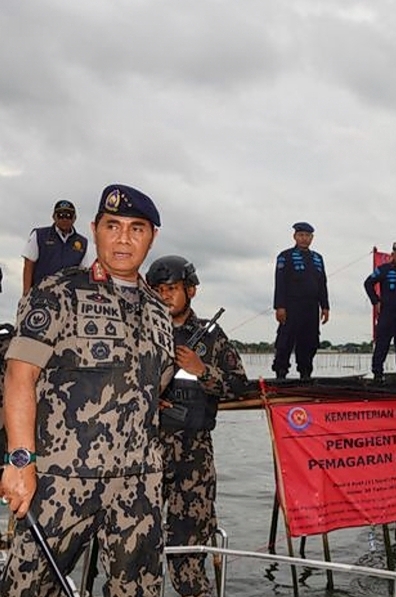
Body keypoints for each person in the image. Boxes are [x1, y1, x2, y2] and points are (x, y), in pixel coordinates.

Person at [0, 184, 174, 597]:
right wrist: (20, 460)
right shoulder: (59, 292)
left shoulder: (158, 310)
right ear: (94, 230)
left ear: (152, 237)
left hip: (140, 485)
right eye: (113, 226)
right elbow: (19, 376)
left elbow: (156, 386)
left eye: (136, 228)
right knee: (29, 589)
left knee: (137, 591)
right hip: (62, 481)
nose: (123, 238)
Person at [146, 254, 248, 597]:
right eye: (158, 289)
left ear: (190, 290)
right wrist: (147, 398)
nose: (165, 296)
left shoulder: (212, 336)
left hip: (194, 456)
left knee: (189, 553)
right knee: (137, 547)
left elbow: (238, 385)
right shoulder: (139, 331)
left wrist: (202, 369)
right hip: (145, 454)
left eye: (172, 288)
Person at [272, 222, 329, 380]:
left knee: (310, 341)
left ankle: (305, 373)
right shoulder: (286, 256)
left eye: (307, 236)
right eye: (301, 235)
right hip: (291, 305)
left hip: (311, 307)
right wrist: (279, 306)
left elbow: (322, 283)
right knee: (285, 341)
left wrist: (325, 306)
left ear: (312, 238)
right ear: (295, 237)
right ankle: (281, 373)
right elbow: (280, 282)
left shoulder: (318, 258)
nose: (304, 239)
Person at [364, 242, 396, 384]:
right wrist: (376, 301)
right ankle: (377, 373)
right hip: (388, 315)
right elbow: (368, 283)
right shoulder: (384, 270)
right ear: (392, 255)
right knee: (382, 345)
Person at [21, 199, 93, 294]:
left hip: (68, 296)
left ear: (75, 218)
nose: (64, 219)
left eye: (69, 216)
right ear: (54, 217)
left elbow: (83, 271)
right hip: (40, 293)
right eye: (60, 215)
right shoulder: (39, 235)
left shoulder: (82, 242)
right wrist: (26, 293)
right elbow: (29, 264)